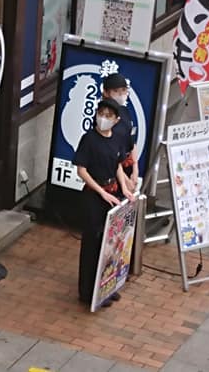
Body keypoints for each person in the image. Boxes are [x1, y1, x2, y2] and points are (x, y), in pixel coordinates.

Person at [75, 98, 135, 308]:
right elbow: (81, 170)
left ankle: (105, 286)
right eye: (102, 114)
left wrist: (125, 189)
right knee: (92, 243)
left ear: (117, 120)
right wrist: (101, 192)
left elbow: (118, 165)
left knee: (110, 244)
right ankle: (87, 291)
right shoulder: (89, 139)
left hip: (112, 194)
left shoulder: (116, 139)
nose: (104, 119)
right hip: (94, 195)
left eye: (109, 116)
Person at [102, 73, 139, 196]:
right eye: (116, 91)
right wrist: (125, 181)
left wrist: (135, 168)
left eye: (123, 91)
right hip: (112, 171)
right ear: (106, 93)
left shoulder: (124, 111)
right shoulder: (103, 119)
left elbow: (132, 141)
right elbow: (108, 154)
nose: (121, 95)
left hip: (127, 164)